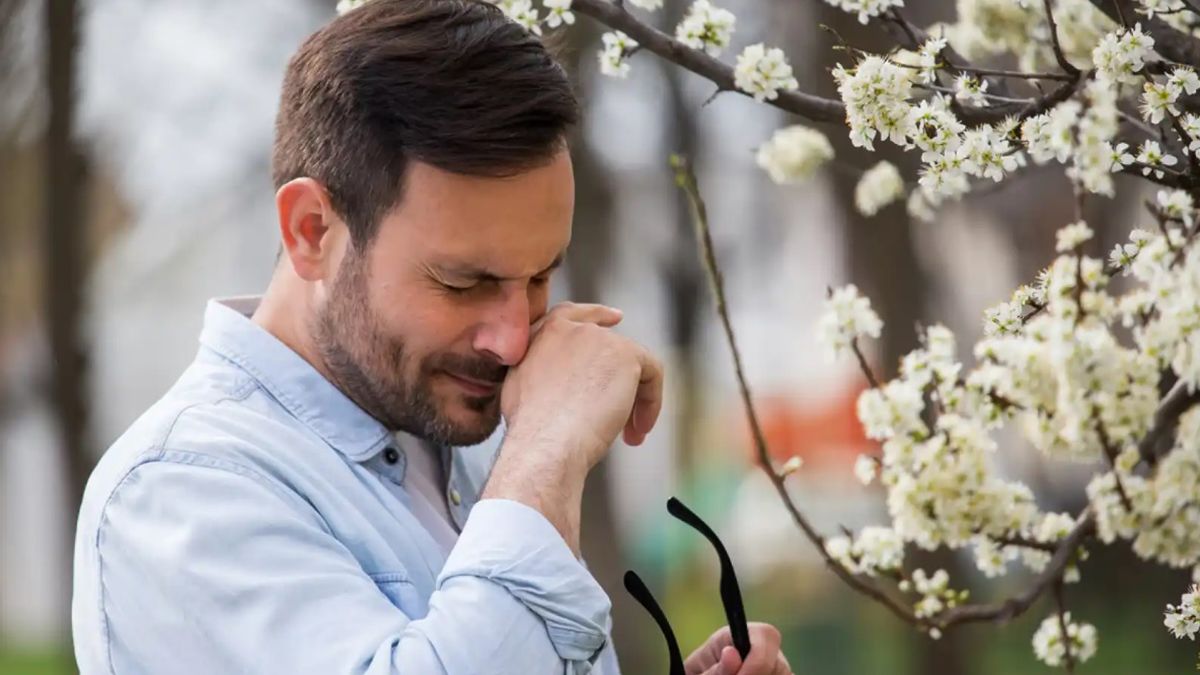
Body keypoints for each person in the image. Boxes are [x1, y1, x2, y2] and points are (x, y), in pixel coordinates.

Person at [71, 1, 793, 673]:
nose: (513, 340)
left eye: (541, 277)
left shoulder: (456, 439)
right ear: (312, 231)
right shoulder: (182, 489)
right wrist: (543, 455)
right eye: (463, 282)